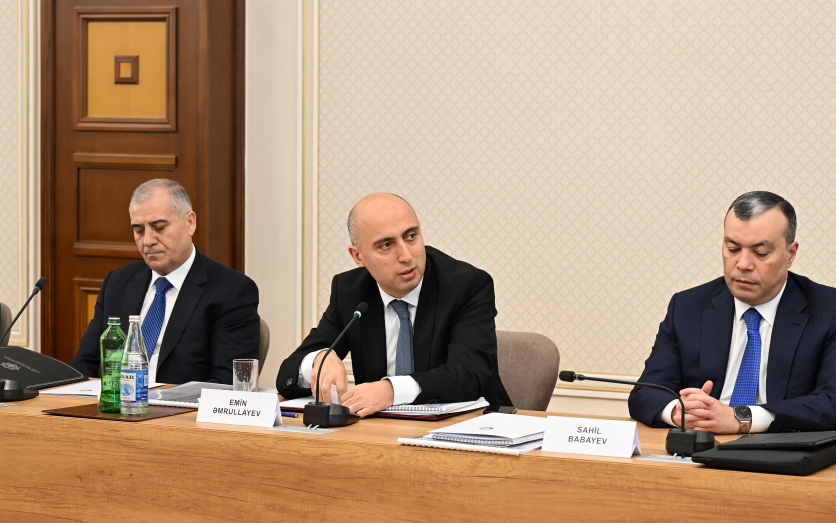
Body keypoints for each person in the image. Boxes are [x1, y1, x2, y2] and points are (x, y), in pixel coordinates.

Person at [627, 191, 836, 433]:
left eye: (760, 253)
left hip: (784, 448)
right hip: (702, 446)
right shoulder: (687, 306)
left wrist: (741, 418)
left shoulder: (834, 311)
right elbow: (645, 393)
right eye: (732, 249)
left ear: (790, 254)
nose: (742, 264)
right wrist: (680, 413)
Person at [277, 193, 511, 417]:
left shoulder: (466, 286)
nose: (406, 255)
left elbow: (468, 376)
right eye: (386, 245)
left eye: (411, 236)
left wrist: (391, 391)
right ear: (358, 256)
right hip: (381, 433)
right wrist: (317, 360)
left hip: (474, 429)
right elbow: (286, 377)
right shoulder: (350, 292)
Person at [71, 179, 260, 385]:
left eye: (159, 228)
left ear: (190, 223)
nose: (147, 241)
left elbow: (227, 382)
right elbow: (84, 366)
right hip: (115, 403)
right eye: (139, 230)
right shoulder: (117, 283)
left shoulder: (232, 291)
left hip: (182, 405)